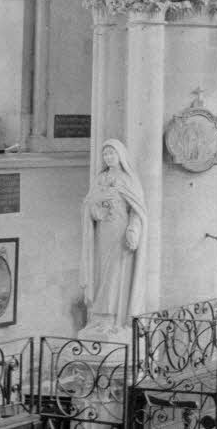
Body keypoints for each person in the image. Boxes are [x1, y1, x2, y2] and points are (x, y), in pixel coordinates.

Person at [80, 138, 147, 338]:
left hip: (120, 232)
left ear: (120, 156)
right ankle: (98, 318)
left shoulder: (129, 180)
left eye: (112, 153)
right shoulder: (100, 179)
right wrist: (96, 208)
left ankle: (114, 318)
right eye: (105, 154)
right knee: (101, 273)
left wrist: (133, 230)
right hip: (103, 232)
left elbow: (138, 210)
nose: (108, 157)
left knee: (117, 274)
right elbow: (88, 204)